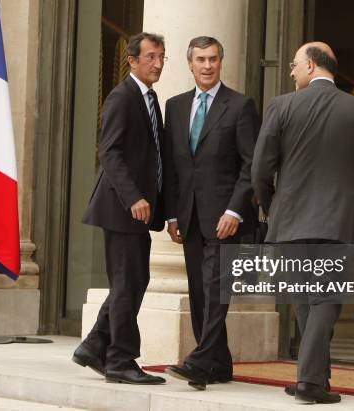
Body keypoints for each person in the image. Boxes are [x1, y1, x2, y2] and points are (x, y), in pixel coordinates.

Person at [252, 42, 354, 404]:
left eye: (294, 64)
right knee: (325, 300)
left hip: (290, 224)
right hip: (338, 223)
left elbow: (259, 171)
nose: (291, 71)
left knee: (307, 300)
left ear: (312, 66)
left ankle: (315, 376)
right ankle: (311, 382)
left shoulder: (281, 106)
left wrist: (273, 208)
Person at [163, 36, 259, 390]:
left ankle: (201, 361)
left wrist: (236, 208)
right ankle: (220, 363)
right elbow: (173, 169)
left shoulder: (240, 106)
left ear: (222, 62)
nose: (207, 65)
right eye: (201, 59)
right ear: (190, 64)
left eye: (213, 59)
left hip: (225, 220)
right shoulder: (175, 107)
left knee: (216, 288)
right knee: (200, 292)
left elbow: (252, 165)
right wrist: (172, 215)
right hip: (188, 218)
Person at [72, 32, 167, 385]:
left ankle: (95, 344)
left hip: (139, 211)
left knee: (134, 280)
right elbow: (109, 152)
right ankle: (121, 360)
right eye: (150, 57)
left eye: (161, 57)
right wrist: (134, 197)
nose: (157, 63)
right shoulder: (122, 97)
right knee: (128, 284)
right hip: (122, 208)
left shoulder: (149, 98)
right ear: (132, 60)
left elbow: (154, 157)